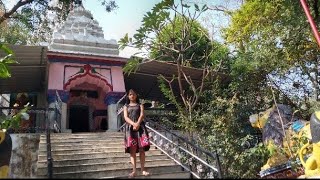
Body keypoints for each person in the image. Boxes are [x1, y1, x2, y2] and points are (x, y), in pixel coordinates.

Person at [123, 89, 150, 178]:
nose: (132, 96)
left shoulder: (140, 105)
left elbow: (142, 115)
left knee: (142, 149)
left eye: (134, 94)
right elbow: (126, 117)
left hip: (140, 129)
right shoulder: (126, 106)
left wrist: (137, 123)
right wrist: (133, 124)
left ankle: (143, 170)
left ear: (136, 95)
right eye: (130, 94)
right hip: (130, 129)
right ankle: (134, 171)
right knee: (132, 150)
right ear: (128, 96)